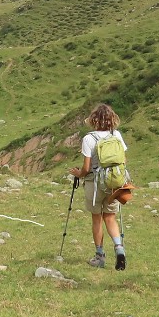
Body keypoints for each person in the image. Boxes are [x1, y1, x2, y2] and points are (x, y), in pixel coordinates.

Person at [69, 103, 128, 270]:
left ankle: (100, 256)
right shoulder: (116, 135)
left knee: (97, 219)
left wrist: (78, 173)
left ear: (94, 120)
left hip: (94, 183)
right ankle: (119, 249)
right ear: (111, 119)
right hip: (113, 183)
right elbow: (123, 160)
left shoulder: (89, 139)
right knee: (110, 217)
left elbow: (86, 168)